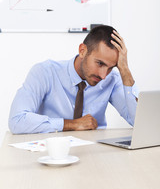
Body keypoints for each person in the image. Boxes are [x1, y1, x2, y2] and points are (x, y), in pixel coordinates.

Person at [8, 25, 138, 134]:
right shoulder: (45, 72)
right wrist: (71, 124)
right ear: (82, 51)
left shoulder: (112, 79)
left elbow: (139, 122)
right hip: (52, 150)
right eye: (100, 63)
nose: (104, 75)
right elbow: (17, 121)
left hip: (94, 152)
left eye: (111, 67)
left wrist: (125, 70)